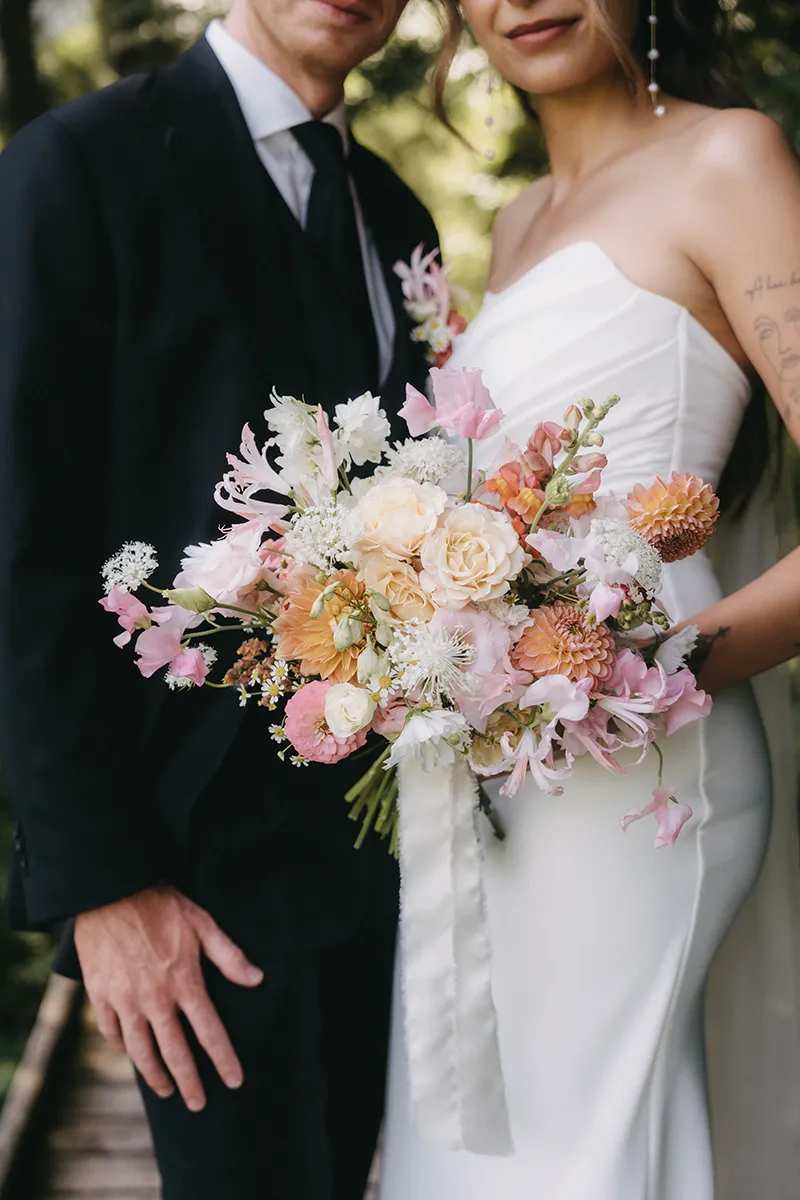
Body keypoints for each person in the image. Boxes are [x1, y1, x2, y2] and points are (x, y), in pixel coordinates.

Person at [0, 1, 439, 1196]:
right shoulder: (77, 164)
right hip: (184, 871)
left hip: (382, 854)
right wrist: (102, 887)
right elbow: (23, 542)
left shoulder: (395, 214)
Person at [380, 2, 800, 1198]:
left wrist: (646, 669)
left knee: (584, 1152)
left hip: (643, 770)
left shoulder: (727, 158)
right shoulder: (515, 223)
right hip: (493, 779)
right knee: (483, 1152)